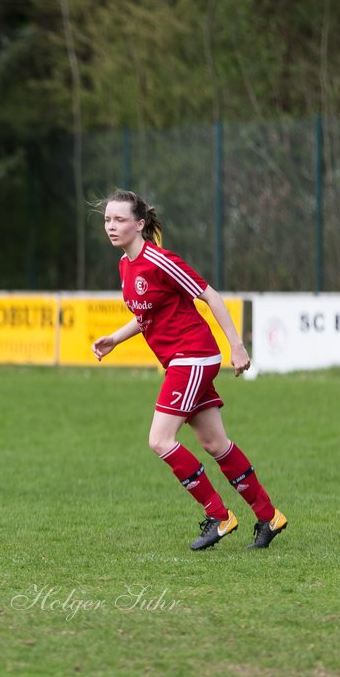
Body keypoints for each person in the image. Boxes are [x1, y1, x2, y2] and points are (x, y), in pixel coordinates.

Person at [91, 190, 288, 550]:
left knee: (160, 440)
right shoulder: (125, 265)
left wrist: (237, 345)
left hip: (193, 356)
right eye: (107, 219)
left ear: (139, 223)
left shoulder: (159, 260)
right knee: (215, 443)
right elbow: (146, 314)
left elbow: (209, 295)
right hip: (182, 360)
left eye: (119, 219)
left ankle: (219, 515)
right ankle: (269, 515)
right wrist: (115, 338)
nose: (111, 226)